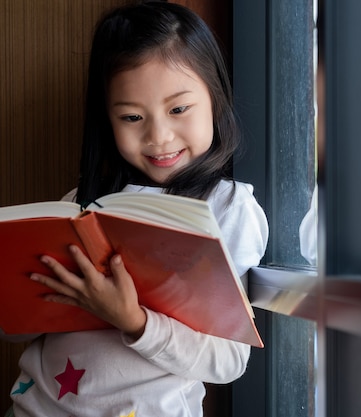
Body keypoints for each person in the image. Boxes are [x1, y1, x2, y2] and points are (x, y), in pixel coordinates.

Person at [2, 2, 268, 416]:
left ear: (215, 97)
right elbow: (13, 329)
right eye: (131, 117)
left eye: (179, 109)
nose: (159, 137)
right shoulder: (79, 206)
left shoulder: (228, 208)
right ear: (106, 120)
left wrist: (134, 321)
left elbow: (228, 360)